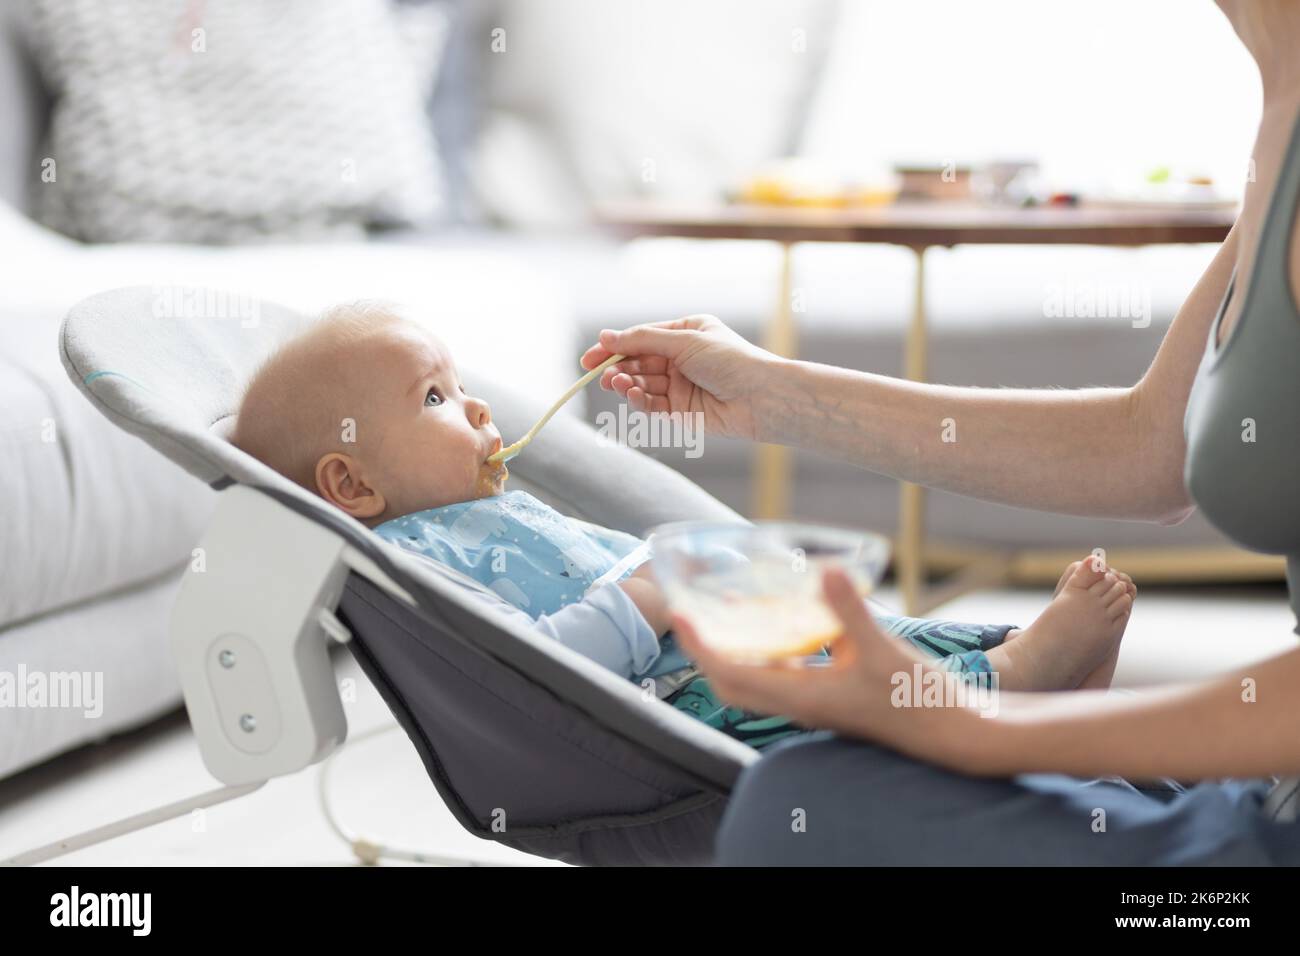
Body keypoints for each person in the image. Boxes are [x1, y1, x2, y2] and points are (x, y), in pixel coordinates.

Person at [577, 0, 1300, 865]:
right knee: (852, 789)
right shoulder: (1282, 126)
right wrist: (772, 395)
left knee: (802, 812)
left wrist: (986, 727)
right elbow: (1152, 449)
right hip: (1269, 782)